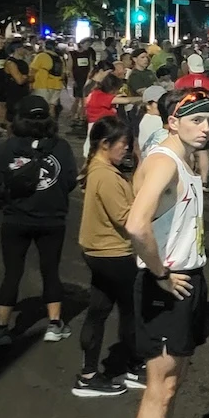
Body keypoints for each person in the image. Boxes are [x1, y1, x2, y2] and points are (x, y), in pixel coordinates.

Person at [124, 87, 209, 418]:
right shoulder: (163, 159)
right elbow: (136, 224)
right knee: (158, 390)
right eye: (196, 119)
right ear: (172, 121)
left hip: (186, 281)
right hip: (167, 285)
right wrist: (159, 271)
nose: (206, 127)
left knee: (173, 386)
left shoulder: (181, 159)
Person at [0, 96, 79, 346]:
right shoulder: (60, 147)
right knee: (51, 271)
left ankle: (2, 328)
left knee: (12, 272)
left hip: (16, 219)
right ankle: (54, 323)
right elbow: (70, 180)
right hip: (52, 219)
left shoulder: (8, 147)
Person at [74, 114, 142, 397]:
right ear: (105, 144)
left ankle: (89, 374)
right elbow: (127, 218)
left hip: (96, 251)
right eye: (124, 144)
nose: (127, 149)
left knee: (99, 310)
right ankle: (134, 366)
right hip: (114, 253)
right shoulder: (106, 176)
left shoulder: (97, 169)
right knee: (131, 312)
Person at [29, 40, 65, 111]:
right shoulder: (60, 58)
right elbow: (63, 74)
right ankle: (51, 121)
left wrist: (30, 83)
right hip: (57, 86)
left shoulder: (41, 56)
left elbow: (33, 70)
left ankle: (43, 121)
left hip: (43, 86)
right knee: (52, 108)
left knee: (41, 107)